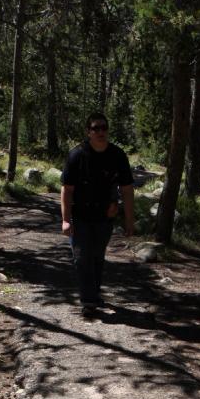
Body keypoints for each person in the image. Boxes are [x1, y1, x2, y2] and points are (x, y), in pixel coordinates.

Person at [61, 112, 134, 317]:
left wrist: (129, 220)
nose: (100, 132)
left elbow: (127, 189)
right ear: (88, 132)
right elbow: (67, 189)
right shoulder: (77, 155)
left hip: (105, 216)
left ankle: (93, 294)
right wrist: (66, 220)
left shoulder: (118, 155)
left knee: (96, 256)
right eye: (96, 128)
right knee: (81, 257)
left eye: (104, 128)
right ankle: (89, 301)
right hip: (81, 215)